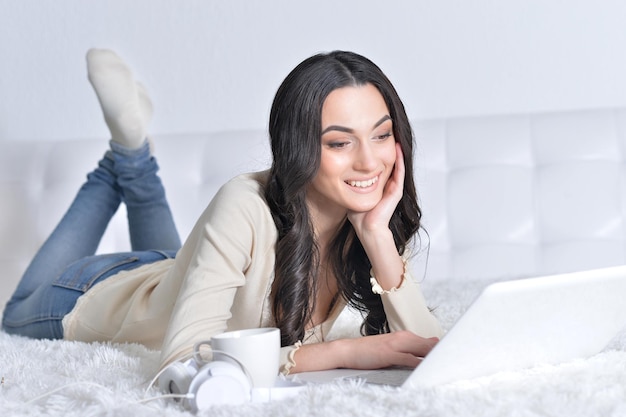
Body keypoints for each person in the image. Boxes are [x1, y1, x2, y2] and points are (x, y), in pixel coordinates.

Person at [2, 48, 442, 377]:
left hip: (172, 274)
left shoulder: (365, 215)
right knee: (12, 313)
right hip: (89, 295)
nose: (369, 162)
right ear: (299, 147)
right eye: (339, 142)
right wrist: (340, 353)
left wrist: (378, 237)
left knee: (171, 274)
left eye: (381, 136)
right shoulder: (245, 203)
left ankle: (133, 155)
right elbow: (181, 358)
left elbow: (428, 347)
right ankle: (124, 157)